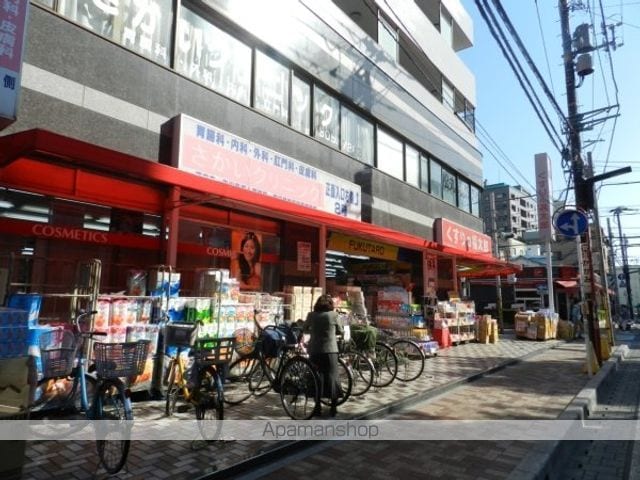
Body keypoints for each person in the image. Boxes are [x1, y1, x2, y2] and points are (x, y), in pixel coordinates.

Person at [303, 294, 344, 417]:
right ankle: (333, 408)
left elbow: (304, 329)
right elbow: (340, 331)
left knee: (316, 378)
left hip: (315, 350)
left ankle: (317, 407)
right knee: (332, 377)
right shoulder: (334, 315)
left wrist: (314, 331)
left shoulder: (311, 315)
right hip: (330, 350)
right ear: (330, 304)